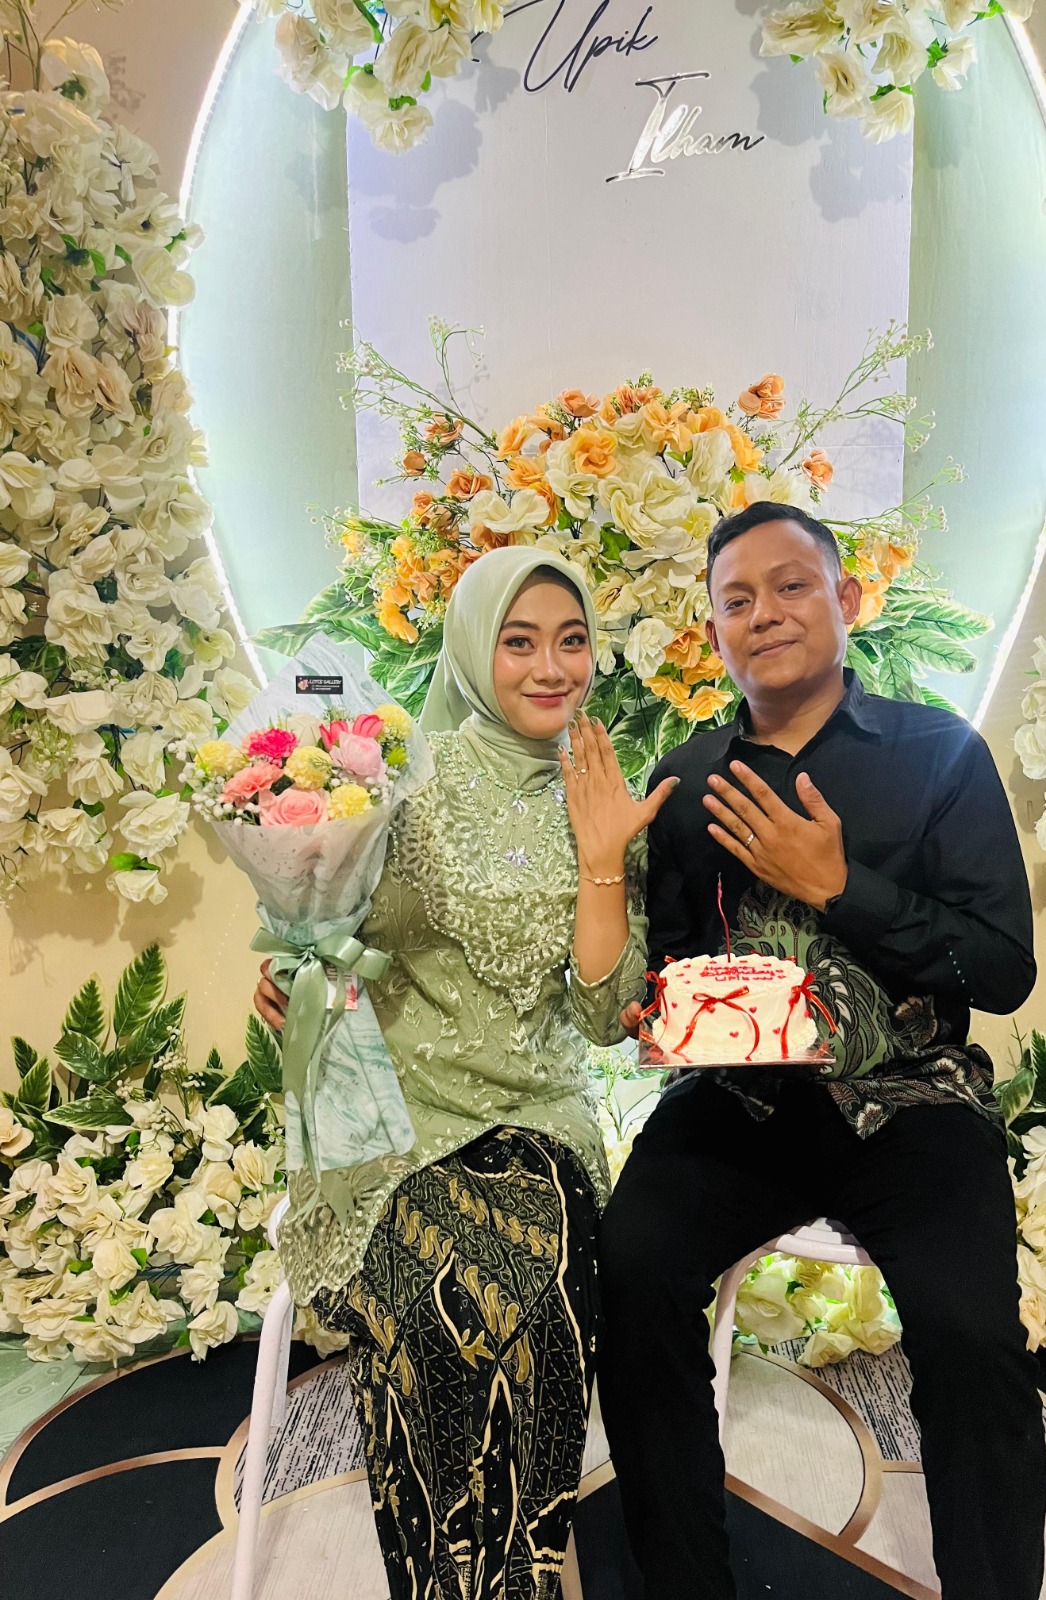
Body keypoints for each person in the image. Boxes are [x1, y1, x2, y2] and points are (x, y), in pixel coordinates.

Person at [597, 501, 1046, 1600]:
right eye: (736, 600)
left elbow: (1002, 969)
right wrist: (656, 1003)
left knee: (970, 1330)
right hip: (738, 1106)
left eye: (791, 586)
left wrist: (845, 888)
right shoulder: (685, 779)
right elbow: (667, 962)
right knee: (635, 1267)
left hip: (913, 1103)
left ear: (845, 599)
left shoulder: (939, 753)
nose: (765, 614)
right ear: (713, 633)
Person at [254, 547, 669, 1600]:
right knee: (433, 1303)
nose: (551, 667)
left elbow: (602, 1017)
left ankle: (517, 1575)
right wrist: (296, 969)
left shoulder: (600, 784)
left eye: (571, 641)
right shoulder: (400, 776)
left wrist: (604, 855)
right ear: (474, 649)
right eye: (519, 641)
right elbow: (335, 931)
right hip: (396, 1112)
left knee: (540, 1295)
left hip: (537, 1116)